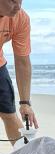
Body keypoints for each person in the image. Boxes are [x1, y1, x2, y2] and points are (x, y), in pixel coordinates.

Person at [0, 0, 38, 144]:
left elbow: (22, 61)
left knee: (9, 114)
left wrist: (25, 103)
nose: (18, 6)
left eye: (20, 0)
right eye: (12, 1)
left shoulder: (21, 18)